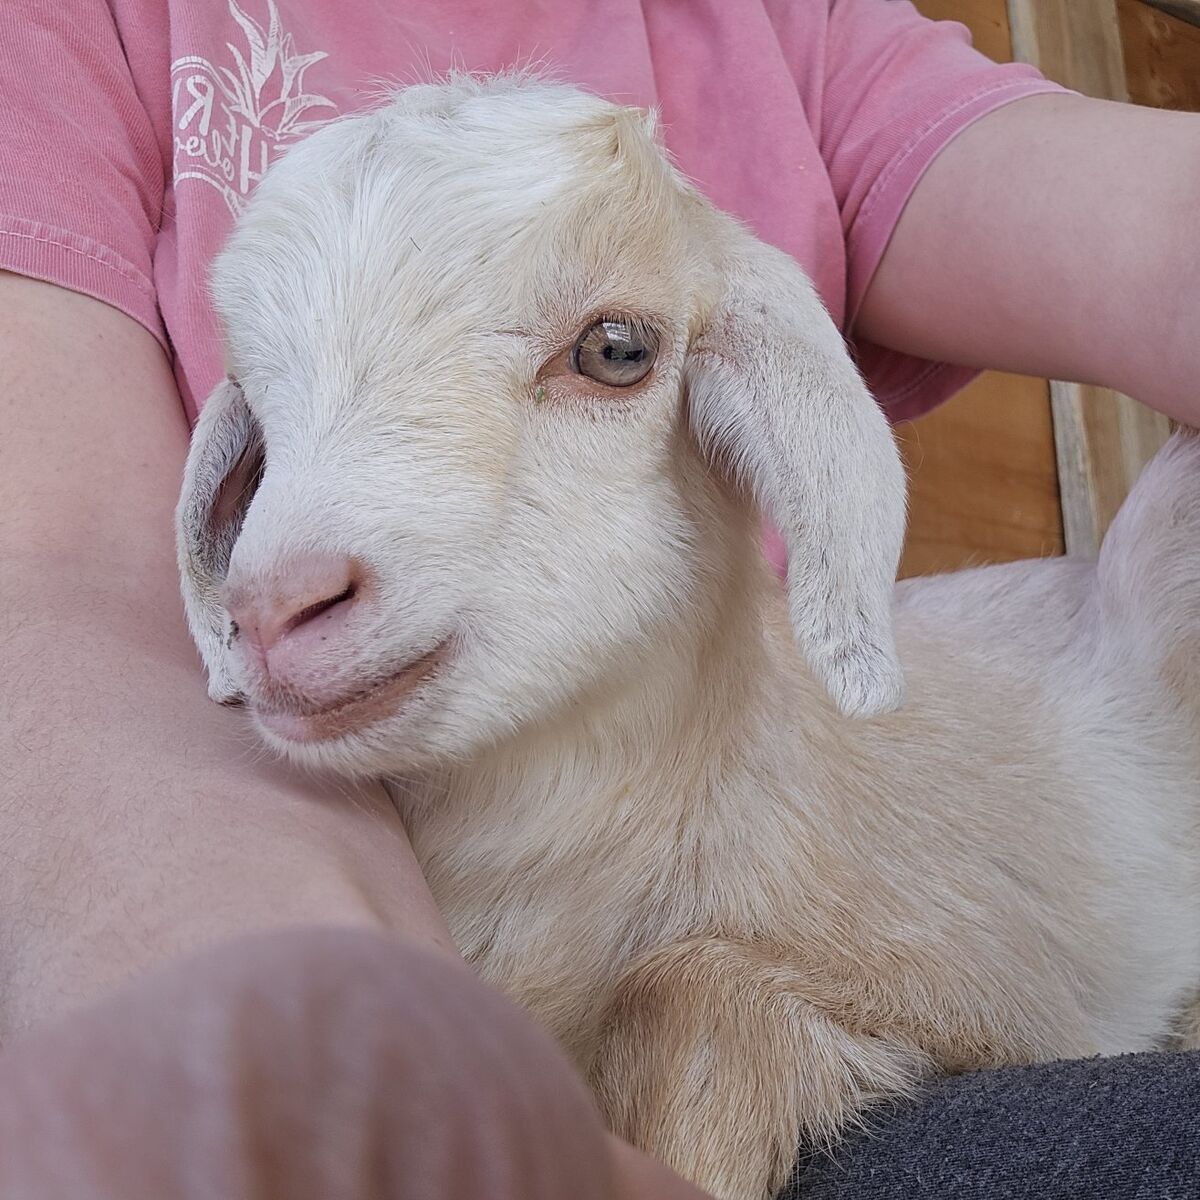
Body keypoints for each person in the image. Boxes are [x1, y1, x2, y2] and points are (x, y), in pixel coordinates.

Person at [2, 1, 1197, 1196]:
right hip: (251, 966)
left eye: (611, 354)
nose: (275, 565)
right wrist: (342, 1074)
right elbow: (52, 583)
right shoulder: (79, 27)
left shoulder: (779, 29)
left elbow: (1157, 232)